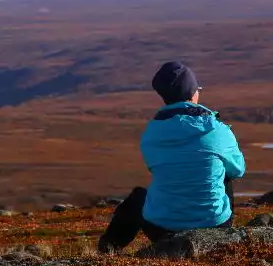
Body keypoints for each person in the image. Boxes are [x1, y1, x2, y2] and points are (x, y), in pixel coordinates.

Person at [98, 61, 246, 253]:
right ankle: (222, 238)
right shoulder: (217, 131)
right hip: (214, 226)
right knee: (225, 172)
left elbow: (156, 168)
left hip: (160, 228)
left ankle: (108, 249)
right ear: (193, 93)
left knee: (139, 198)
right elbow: (239, 169)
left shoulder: (151, 134)